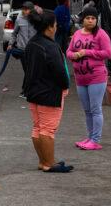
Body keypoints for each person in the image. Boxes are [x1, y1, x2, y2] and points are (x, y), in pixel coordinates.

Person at [23, 10, 73, 173]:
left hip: (33, 91)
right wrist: (65, 85)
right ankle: (49, 163)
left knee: (38, 127)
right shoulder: (50, 46)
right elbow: (60, 72)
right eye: (56, 25)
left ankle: (43, 161)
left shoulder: (32, 43)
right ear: (50, 27)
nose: (57, 28)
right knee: (47, 130)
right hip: (49, 93)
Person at [66, 6, 111, 151]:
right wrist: (74, 55)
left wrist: (87, 52)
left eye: (93, 18)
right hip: (80, 78)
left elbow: (108, 53)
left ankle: (95, 140)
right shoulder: (77, 34)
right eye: (88, 18)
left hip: (96, 77)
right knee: (87, 110)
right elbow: (68, 52)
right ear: (83, 19)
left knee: (95, 109)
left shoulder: (101, 34)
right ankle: (90, 136)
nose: (91, 21)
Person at [0, 2, 37, 85]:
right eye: (23, 9)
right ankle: (26, 90)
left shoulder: (36, 20)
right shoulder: (19, 19)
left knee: (32, 70)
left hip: (33, 50)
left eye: (26, 9)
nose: (24, 11)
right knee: (27, 70)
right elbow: (14, 34)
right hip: (22, 49)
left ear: (31, 10)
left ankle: (26, 89)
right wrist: (10, 44)